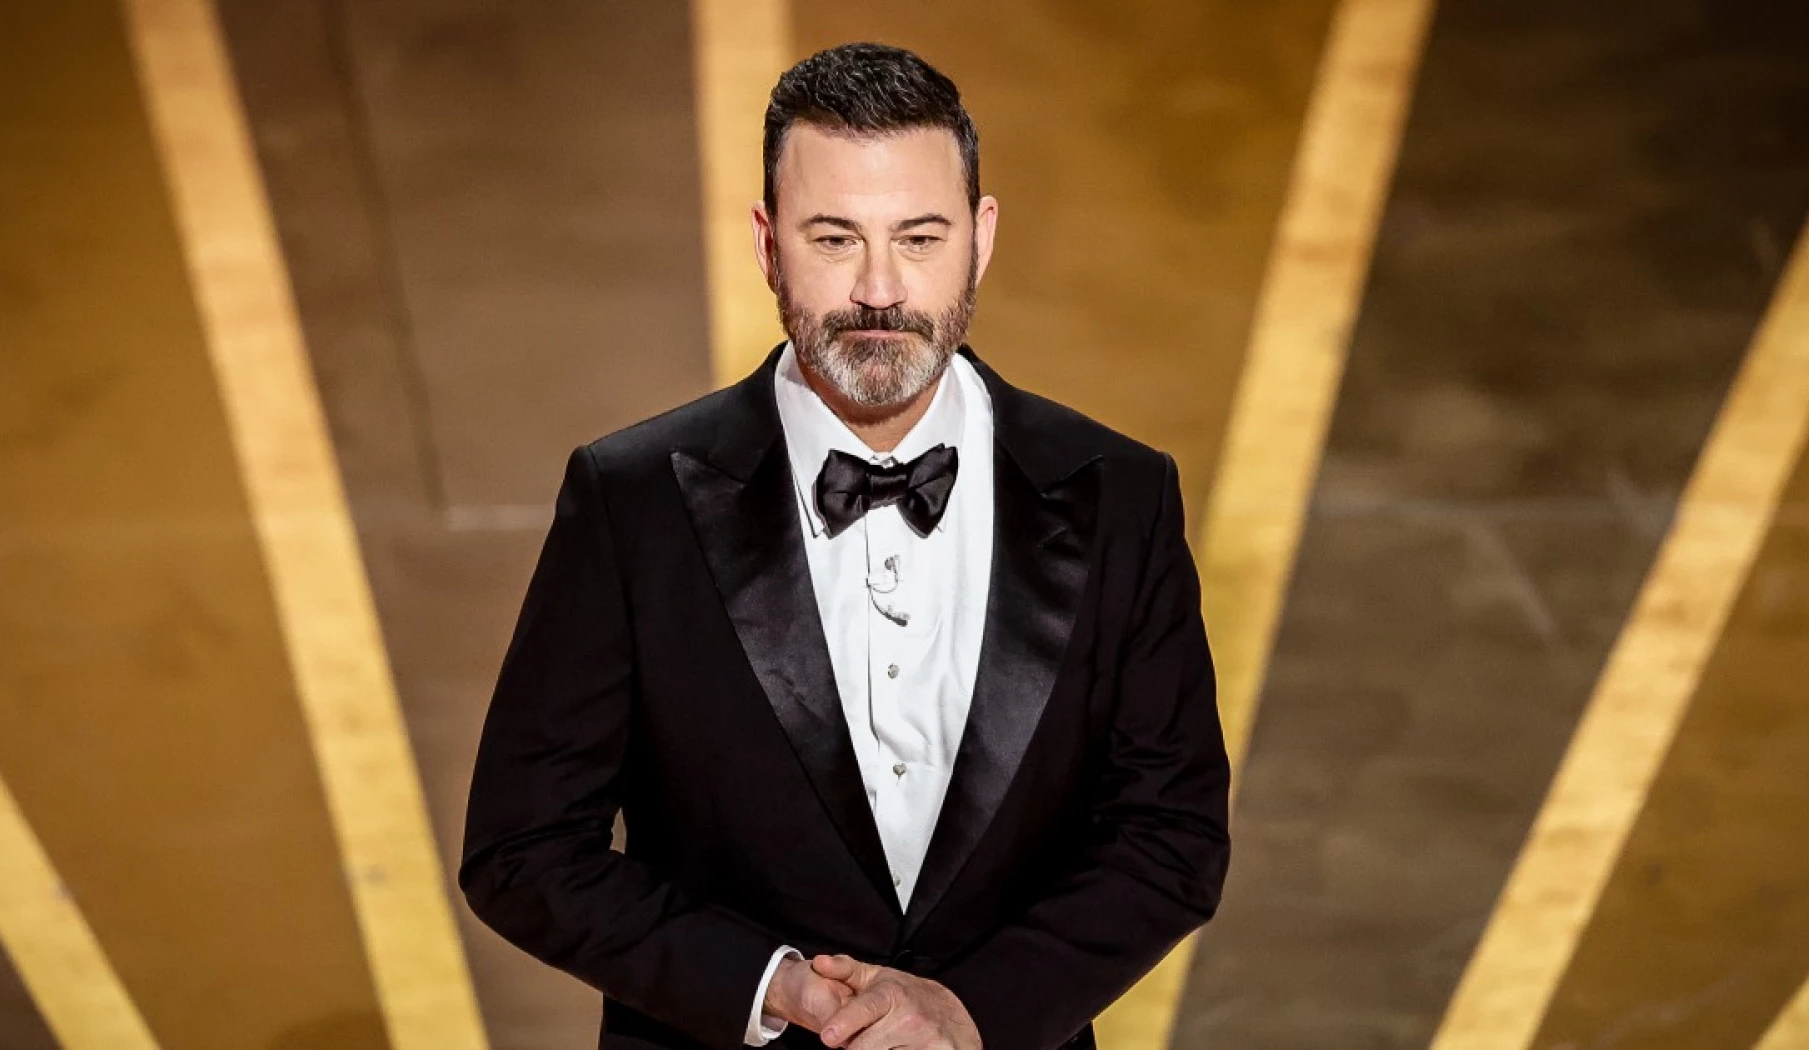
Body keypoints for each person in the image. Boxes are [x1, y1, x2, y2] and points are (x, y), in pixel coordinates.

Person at [458, 41, 1230, 1050]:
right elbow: (521, 848)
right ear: (767, 244)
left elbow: (1172, 837)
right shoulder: (631, 500)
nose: (879, 289)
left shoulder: (1120, 494)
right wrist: (774, 988)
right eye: (834, 239)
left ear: (980, 238)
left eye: (919, 237)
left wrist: (973, 1009)